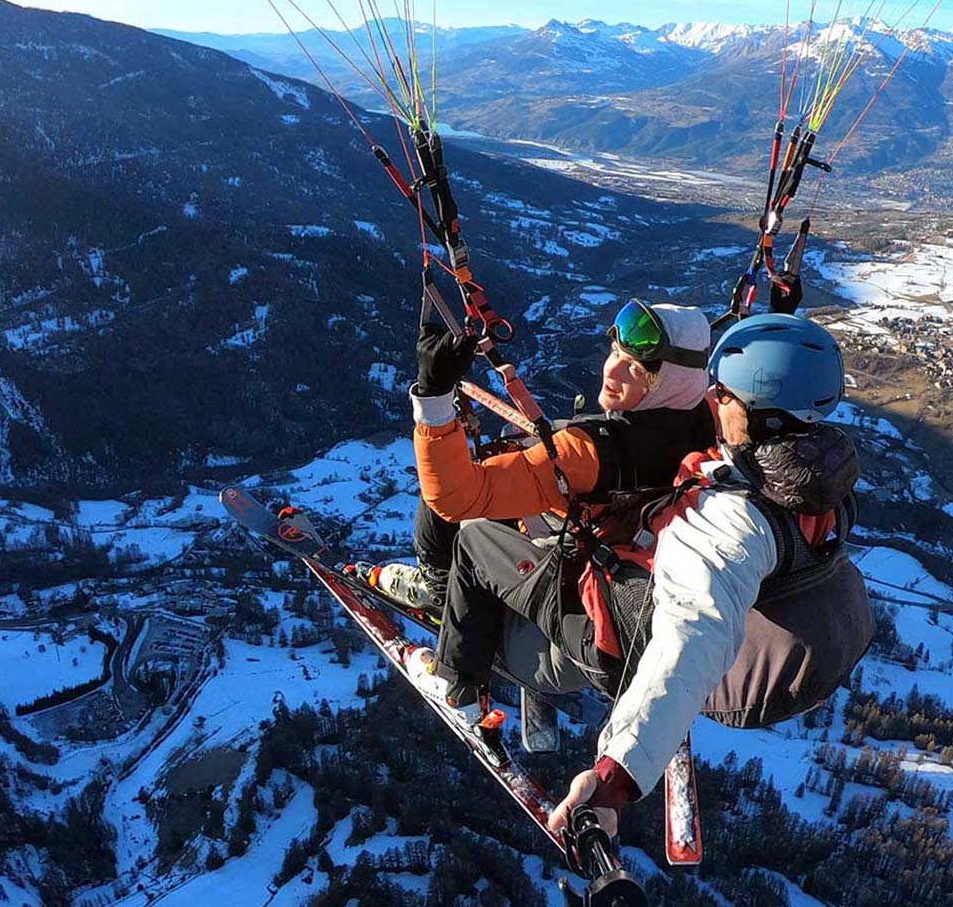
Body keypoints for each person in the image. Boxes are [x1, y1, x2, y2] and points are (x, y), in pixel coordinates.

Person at [407, 310, 875, 840]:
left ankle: (459, 680)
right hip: (659, 587)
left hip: (612, 638)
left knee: (472, 536)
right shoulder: (817, 480)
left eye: (722, 394)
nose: (711, 398)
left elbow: (691, 639)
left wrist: (613, 780)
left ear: (761, 416)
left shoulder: (724, 524)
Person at [372, 298, 716, 611]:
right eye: (615, 352)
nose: (611, 370)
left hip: (577, 546)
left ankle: (439, 589)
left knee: (442, 504)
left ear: (670, 382)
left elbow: (452, 497)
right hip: (622, 529)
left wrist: (433, 399)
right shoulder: (707, 416)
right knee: (515, 444)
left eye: (635, 369)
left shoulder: (587, 451)